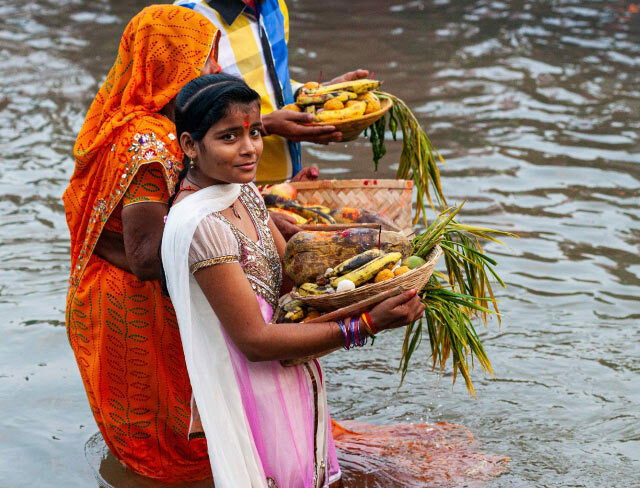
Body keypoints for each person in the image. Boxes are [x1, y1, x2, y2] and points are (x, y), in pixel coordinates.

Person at [161, 73, 425, 487]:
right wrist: (365, 325)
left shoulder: (243, 192)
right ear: (190, 146)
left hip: (291, 369)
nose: (249, 149)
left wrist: (371, 271)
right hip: (253, 391)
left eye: (256, 133)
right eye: (229, 138)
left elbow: (295, 285)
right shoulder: (201, 225)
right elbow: (254, 342)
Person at [62, 5, 223, 482]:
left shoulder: (120, 123)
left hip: (107, 293)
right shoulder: (148, 145)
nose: (215, 68)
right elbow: (147, 258)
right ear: (171, 63)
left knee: (162, 436)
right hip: (133, 309)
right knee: (175, 452)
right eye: (205, 58)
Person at [175, 0, 370, 238]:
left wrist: (314, 95)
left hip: (283, 178)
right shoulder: (189, 17)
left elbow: (273, 81)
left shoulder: (274, 5)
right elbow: (185, 110)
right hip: (230, 189)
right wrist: (265, 126)